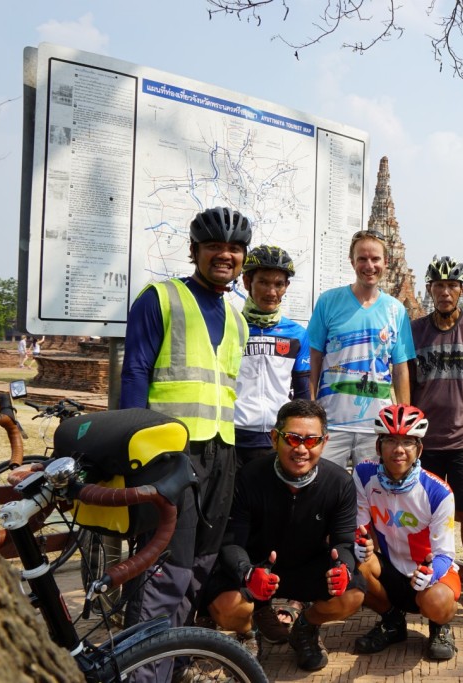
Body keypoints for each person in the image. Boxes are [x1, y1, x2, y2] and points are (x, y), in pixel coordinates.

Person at [119, 206, 251, 678]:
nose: (225, 254)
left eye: (234, 248)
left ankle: (169, 665)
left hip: (221, 452)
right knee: (162, 568)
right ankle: (141, 673)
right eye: (214, 246)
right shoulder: (161, 298)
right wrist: (135, 450)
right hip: (167, 453)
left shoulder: (238, 318)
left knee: (198, 565)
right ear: (194, 251)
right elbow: (134, 373)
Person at [200, 399, 364, 671]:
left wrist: (343, 567)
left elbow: (343, 540)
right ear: (275, 438)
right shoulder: (248, 477)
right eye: (292, 439)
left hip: (308, 566)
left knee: (352, 595)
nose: (301, 449)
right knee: (225, 607)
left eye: (311, 441)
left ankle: (305, 628)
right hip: (258, 568)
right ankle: (249, 632)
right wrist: (247, 573)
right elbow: (231, 542)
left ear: (324, 442)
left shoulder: (340, 482)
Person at [409, 255, 463, 608]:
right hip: (424, 440)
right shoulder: (415, 331)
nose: (445, 292)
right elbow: (407, 383)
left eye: (451, 286)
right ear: (430, 289)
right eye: (439, 286)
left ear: (462, 289)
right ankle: (426, 572)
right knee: (421, 513)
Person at [353, 404, 461, 661]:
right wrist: (358, 544)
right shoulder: (363, 474)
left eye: (408, 442)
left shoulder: (438, 492)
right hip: (391, 569)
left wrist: (430, 574)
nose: (398, 449)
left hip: (427, 572)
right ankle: (392, 623)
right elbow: (358, 529)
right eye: (390, 440)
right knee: (352, 565)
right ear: (378, 446)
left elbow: (445, 554)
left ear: (419, 449)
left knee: (437, 602)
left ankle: (440, 626)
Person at [307, 229, 415, 469]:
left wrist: (403, 419)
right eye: (362, 259)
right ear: (352, 261)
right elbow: (314, 357)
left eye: (375, 259)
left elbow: (400, 368)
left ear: (386, 262)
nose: (369, 265)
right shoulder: (329, 302)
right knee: (324, 491)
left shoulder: (396, 310)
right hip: (331, 422)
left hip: (376, 427)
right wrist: (312, 406)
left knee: (373, 494)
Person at [234, 245, 311, 468]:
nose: (271, 292)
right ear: (248, 282)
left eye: (278, 284)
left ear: (286, 287)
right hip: (234, 437)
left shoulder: (297, 334)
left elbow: (303, 392)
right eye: (264, 282)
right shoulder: (230, 326)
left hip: (277, 438)